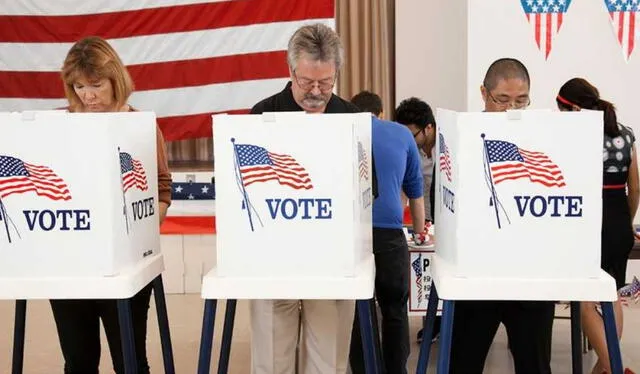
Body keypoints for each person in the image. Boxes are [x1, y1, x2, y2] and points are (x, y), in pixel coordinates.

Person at [249, 24, 378, 374]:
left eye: (327, 82)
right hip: (274, 260)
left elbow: (370, 191)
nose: (317, 92)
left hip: (333, 262)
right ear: (291, 70)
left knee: (329, 362)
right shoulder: (262, 116)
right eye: (307, 82)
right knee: (272, 361)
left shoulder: (351, 117)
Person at [50, 36, 173, 374]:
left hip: (127, 264)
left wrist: (141, 230)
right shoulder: (58, 127)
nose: (87, 95)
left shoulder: (141, 125)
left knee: (130, 361)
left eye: (95, 84)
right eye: (78, 86)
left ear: (115, 80)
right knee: (79, 362)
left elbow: (162, 190)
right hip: (72, 262)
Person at [448, 58, 556, 374]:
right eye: (503, 100)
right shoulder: (461, 136)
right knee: (464, 363)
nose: (511, 109)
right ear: (484, 93)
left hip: (530, 274)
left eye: (521, 101)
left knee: (534, 364)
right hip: (477, 274)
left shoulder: (545, 137)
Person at [556, 78, 639, 374]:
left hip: (589, 219)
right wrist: (626, 223)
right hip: (619, 218)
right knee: (612, 293)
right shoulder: (626, 135)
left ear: (573, 108)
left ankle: (611, 366)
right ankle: (607, 367)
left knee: (586, 298)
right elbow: (636, 188)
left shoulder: (574, 137)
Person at [348, 91, 426, 374]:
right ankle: (396, 370)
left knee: (359, 310)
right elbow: (416, 192)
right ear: (380, 113)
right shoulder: (401, 134)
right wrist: (419, 233)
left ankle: (362, 368)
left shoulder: (345, 132)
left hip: (352, 235)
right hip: (390, 236)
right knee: (394, 310)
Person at [395, 97, 440, 343]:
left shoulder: (449, 148)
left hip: (447, 220)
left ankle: (441, 322)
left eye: (412, 135)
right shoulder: (410, 151)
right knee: (425, 272)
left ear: (428, 128)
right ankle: (432, 322)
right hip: (424, 219)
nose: (407, 141)